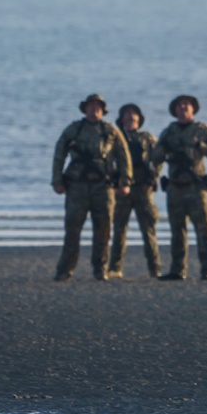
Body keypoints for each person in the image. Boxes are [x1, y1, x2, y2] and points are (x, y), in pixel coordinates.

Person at [52, 94, 132, 281]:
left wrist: (125, 182)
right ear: (85, 108)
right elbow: (59, 153)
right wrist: (57, 180)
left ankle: (100, 269)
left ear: (103, 110)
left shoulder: (111, 131)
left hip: (103, 187)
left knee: (103, 230)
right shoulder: (74, 129)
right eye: (91, 105)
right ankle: (65, 269)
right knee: (72, 229)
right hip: (77, 187)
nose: (94, 108)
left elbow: (123, 156)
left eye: (98, 106)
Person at [153, 95, 207, 281]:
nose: (183, 107)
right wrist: (163, 149)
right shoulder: (169, 132)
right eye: (179, 105)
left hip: (195, 186)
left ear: (193, 109)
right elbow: (155, 157)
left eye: (186, 105)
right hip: (175, 187)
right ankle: (177, 270)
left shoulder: (201, 130)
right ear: (174, 110)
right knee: (177, 231)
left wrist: (201, 146)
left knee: (203, 229)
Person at [108, 103, 161, 279]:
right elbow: (107, 160)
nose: (131, 116)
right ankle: (115, 268)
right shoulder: (115, 138)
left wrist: (154, 179)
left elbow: (159, 158)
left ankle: (155, 269)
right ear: (121, 119)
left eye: (134, 113)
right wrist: (114, 182)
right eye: (127, 113)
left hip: (143, 189)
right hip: (122, 189)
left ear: (140, 118)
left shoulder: (147, 138)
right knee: (119, 230)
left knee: (149, 231)